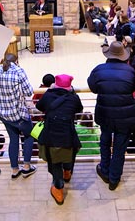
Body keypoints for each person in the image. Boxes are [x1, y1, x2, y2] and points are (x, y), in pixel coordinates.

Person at [88, 41, 135, 191]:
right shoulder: (131, 71)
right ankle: (114, 179)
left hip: (105, 113)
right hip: (125, 115)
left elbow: (93, 88)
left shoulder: (99, 70)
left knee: (105, 141)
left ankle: (104, 169)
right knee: (120, 147)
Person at [36, 74, 84, 205]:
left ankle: (58, 189)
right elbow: (79, 109)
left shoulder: (48, 95)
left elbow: (39, 107)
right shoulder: (73, 98)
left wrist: (50, 91)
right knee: (69, 152)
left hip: (51, 135)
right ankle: (67, 172)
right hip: (68, 134)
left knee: (55, 162)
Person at [0, 54, 36, 179]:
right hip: (18, 114)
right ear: (17, 61)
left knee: (13, 139)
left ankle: (14, 169)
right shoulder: (18, 71)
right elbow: (29, 92)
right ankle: (27, 167)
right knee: (29, 136)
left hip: (3, 114)